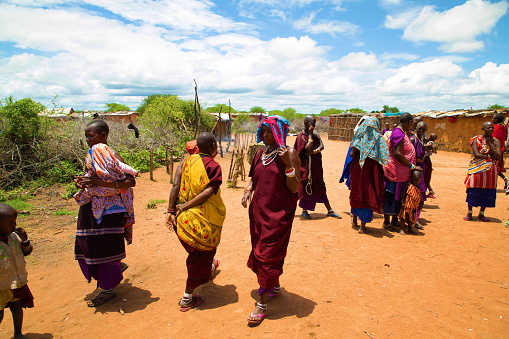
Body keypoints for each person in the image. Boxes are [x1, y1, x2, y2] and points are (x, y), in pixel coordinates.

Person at [241, 115, 301, 325]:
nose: (265, 136)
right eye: (263, 132)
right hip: (258, 212)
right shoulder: (260, 153)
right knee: (263, 249)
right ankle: (273, 285)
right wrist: (249, 190)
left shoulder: (290, 154)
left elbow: (295, 187)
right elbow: (255, 178)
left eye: (269, 132)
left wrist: (287, 165)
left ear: (279, 133)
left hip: (278, 214)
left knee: (268, 253)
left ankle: (262, 303)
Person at [74, 120, 136, 307]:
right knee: (86, 244)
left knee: (106, 247)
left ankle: (108, 289)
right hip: (91, 206)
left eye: (91, 136)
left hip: (110, 210)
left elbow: (130, 182)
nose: (88, 140)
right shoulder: (92, 155)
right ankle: (116, 268)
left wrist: (99, 184)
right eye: (86, 136)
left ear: (103, 135)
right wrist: (84, 182)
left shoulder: (111, 155)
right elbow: (93, 177)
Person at [166, 132, 225, 312]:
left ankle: (211, 266)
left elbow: (175, 186)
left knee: (201, 252)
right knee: (199, 256)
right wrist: (184, 207)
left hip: (182, 221)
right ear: (214, 147)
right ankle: (187, 297)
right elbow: (208, 193)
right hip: (199, 221)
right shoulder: (213, 166)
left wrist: (171, 210)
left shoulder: (184, 163)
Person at [349, 116, 389, 233]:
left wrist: (360, 159)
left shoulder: (359, 136)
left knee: (357, 192)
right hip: (372, 170)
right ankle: (362, 226)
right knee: (368, 193)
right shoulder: (379, 139)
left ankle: (355, 220)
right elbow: (384, 158)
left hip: (358, 168)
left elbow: (352, 153)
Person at [294, 116, 339, 219]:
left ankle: (330, 210)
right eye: (311, 124)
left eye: (314, 123)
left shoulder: (316, 135)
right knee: (305, 187)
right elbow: (306, 149)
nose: (313, 126)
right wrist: (310, 135)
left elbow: (322, 146)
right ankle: (304, 210)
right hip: (306, 167)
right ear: (305, 124)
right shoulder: (301, 136)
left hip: (316, 166)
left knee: (320, 186)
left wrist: (315, 151)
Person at [0, 203, 34, 339]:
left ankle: (18, 333)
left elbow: (27, 251)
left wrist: (25, 240)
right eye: (10, 223)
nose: (14, 225)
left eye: (14, 222)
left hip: (15, 281)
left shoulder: (14, 237)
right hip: (1, 285)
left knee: (17, 307)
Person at [383, 113, 422, 229]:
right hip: (395, 172)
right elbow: (398, 153)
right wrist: (412, 166)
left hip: (399, 173)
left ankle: (393, 221)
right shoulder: (398, 134)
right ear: (409, 121)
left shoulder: (400, 133)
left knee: (397, 196)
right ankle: (387, 222)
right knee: (391, 196)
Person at [464, 121, 502, 222]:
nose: (490, 129)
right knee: (473, 190)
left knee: (487, 191)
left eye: (492, 128)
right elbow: (477, 154)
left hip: (490, 171)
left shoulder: (496, 141)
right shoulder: (476, 139)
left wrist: (491, 146)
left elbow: (498, 156)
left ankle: (481, 213)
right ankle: (469, 213)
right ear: (483, 129)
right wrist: (490, 156)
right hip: (477, 168)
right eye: (488, 128)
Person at [410, 121, 428, 229]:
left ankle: (416, 219)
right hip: (415, 170)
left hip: (422, 169)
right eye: (419, 129)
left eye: (423, 129)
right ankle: (412, 219)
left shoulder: (421, 140)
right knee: (414, 194)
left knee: (420, 195)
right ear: (416, 128)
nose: (421, 131)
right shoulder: (413, 140)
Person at [398, 170, 423, 235]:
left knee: (411, 219)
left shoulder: (418, 187)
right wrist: (402, 202)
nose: (416, 181)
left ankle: (410, 229)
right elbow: (403, 195)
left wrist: (420, 203)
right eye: (414, 179)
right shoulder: (408, 186)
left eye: (418, 180)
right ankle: (401, 228)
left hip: (414, 206)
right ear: (411, 177)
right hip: (407, 206)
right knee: (404, 217)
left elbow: (419, 196)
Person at [492, 113, 508, 189]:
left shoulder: (496, 128)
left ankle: (491, 185)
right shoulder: (503, 127)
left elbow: (493, 139)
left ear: (496, 120)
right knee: (496, 168)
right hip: (500, 150)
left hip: (495, 151)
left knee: (492, 168)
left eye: (494, 118)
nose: (492, 119)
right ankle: (506, 180)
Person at [424, 133, 438, 198]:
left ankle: (429, 190)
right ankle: (430, 190)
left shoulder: (430, 142)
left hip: (425, 158)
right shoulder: (434, 143)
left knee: (425, 175)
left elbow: (428, 145)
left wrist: (422, 145)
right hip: (427, 159)